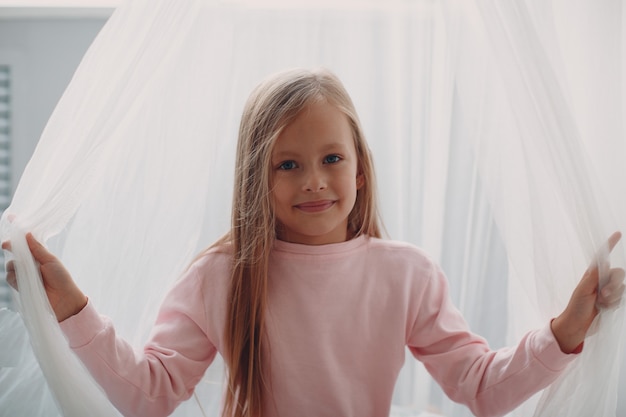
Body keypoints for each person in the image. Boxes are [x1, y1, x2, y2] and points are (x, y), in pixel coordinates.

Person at [4, 68, 625, 417]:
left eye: (331, 158)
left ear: (360, 169)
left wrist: (568, 327)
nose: (315, 182)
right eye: (287, 165)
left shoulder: (405, 273)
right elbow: (149, 394)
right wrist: (69, 303)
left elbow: (484, 387)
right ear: (257, 177)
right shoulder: (219, 277)